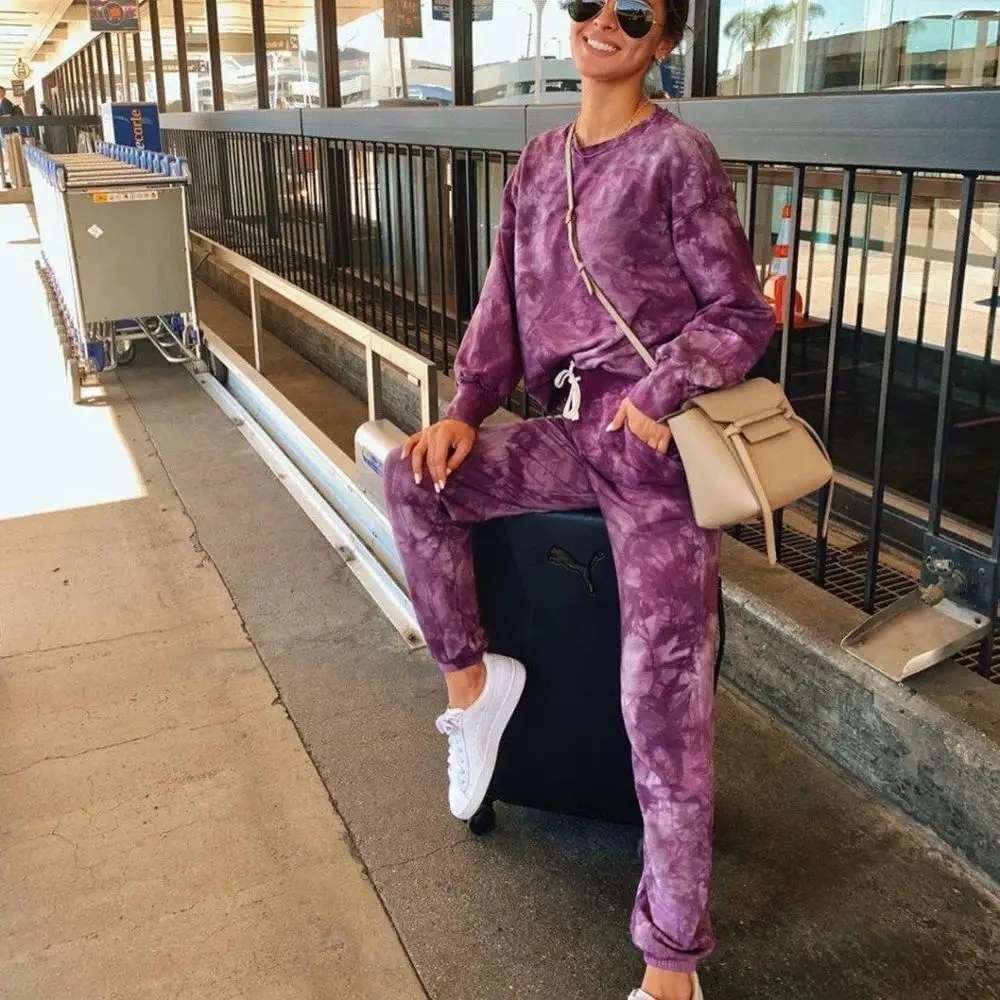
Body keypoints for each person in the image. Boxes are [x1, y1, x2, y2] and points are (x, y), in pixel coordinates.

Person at [383, 2, 774, 998]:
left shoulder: (676, 156)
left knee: (662, 703)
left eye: (632, 15)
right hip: (567, 430)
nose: (603, 23)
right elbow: (500, 304)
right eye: (588, 5)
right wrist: (465, 407)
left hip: (654, 455)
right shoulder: (538, 161)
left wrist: (661, 391)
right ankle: (473, 695)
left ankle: (671, 964)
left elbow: (739, 311)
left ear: (662, 42)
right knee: (415, 477)